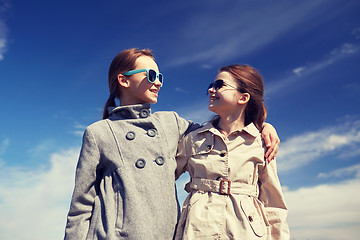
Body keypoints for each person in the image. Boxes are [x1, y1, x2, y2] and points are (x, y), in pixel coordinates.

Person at [64, 49, 280, 239]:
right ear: (124, 80)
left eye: (160, 76)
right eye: (151, 75)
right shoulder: (98, 133)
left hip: (167, 233)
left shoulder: (171, 123)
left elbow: (224, 131)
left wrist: (262, 125)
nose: (158, 81)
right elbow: (81, 205)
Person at [175, 64, 290, 239]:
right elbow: (163, 177)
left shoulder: (262, 142)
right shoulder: (192, 139)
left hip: (245, 231)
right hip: (197, 230)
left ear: (243, 98)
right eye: (210, 86)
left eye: (219, 85)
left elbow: (274, 204)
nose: (211, 90)